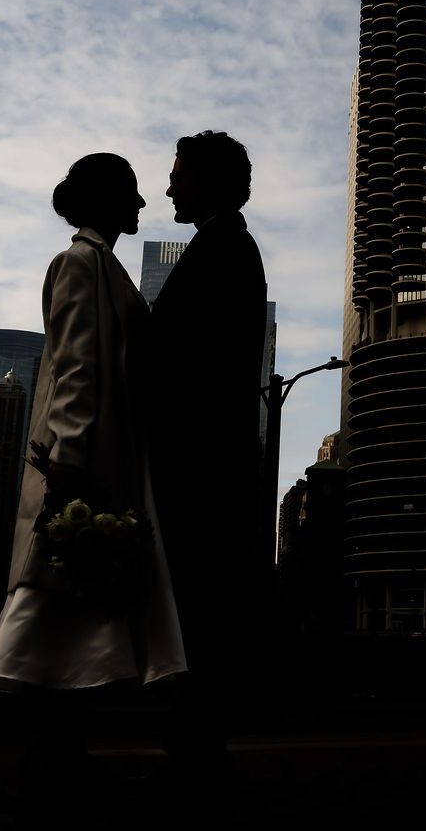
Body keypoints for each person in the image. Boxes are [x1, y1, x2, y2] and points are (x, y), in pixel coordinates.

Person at [0, 154, 184, 769]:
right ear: (104, 200)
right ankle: (53, 755)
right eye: (132, 194)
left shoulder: (101, 266)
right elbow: (75, 370)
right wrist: (67, 466)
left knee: (73, 608)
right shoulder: (81, 264)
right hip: (85, 467)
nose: (143, 206)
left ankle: (58, 753)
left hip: (99, 465)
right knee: (63, 602)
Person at [141, 130, 270, 775]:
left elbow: (187, 363)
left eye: (179, 174)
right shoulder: (226, 247)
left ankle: (195, 751)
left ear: (210, 181)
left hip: (202, 471)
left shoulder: (224, 251)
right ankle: (196, 743)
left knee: (199, 605)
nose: (168, 187)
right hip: (209, 466)